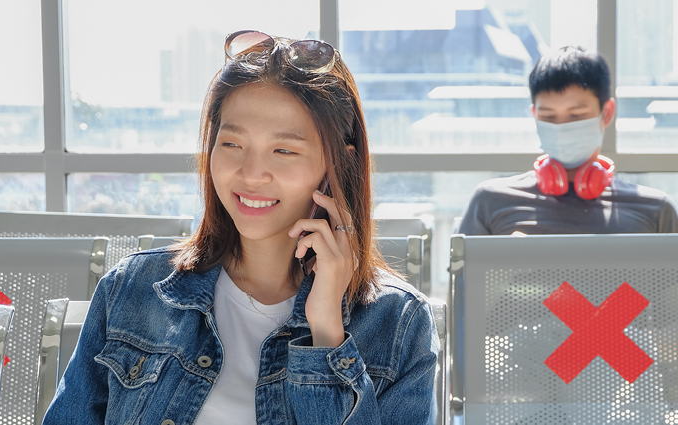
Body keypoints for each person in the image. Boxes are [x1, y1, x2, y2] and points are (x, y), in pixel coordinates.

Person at [43, 30, 439, 424]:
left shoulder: (397, 323)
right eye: (231, 144)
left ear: (338, 163)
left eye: (283, 150)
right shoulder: (131, 288)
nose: (251, 175)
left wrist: (326, 334)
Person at [458, 46, 678, 235]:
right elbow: (462, 290)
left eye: (576, 115)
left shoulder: (655, 211)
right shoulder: (491, 202)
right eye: (548, 116)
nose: (561, 127)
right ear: (534, 116)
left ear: (606, 113)